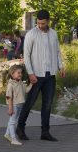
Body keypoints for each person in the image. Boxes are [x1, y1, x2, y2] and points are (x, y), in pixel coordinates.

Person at [16, 11, 63, 142]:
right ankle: (20, 128)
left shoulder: (54, 34)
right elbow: (26, 56)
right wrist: (30, 73)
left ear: (48, 21)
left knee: (47, 104)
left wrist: (61, 66)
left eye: (43, 23)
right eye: (38, 23)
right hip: (36, 75)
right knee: (30, 102)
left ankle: (45, 132)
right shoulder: (31, 34)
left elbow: (57, 52)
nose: (40, 25)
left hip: (50, 74)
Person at [4, 64, 30, 146]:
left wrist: (32, 84)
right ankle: (13, 139)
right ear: (12, 74)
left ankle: (7, 134)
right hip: (14, 105)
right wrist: (10, 108)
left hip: (20, 104)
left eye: (21, 73)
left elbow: (26, 90)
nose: (20, 74)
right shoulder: (11, 84)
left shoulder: (21, 82)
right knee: (13, 122)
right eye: (18, 73)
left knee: (12, 120)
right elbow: (9, 97)